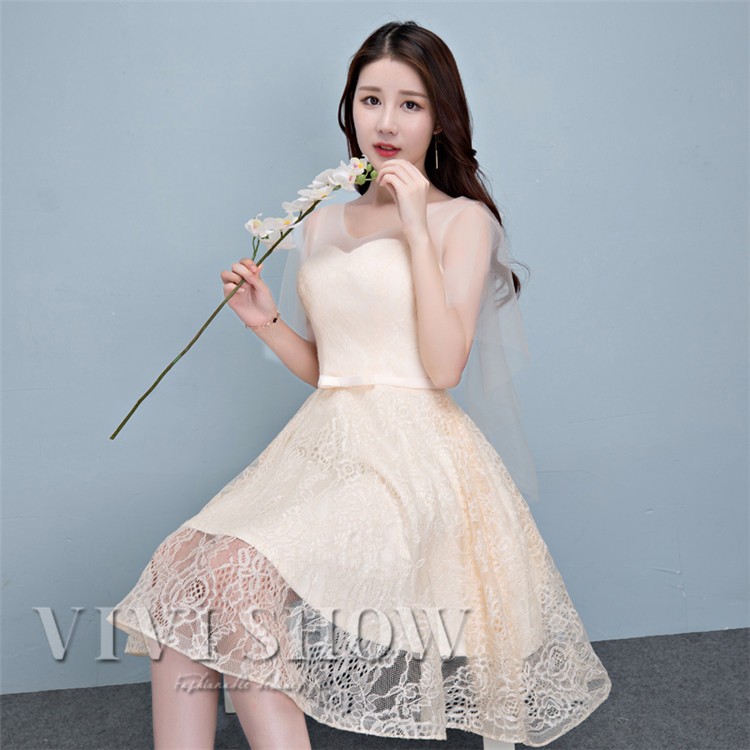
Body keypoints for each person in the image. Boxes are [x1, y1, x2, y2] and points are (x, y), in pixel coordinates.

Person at [107, 20, 611, 750]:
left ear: (440, 118)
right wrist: (266, 321)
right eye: (371, 100)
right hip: (322, 442)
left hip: (410, 455)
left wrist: (415, 222)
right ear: (350, 109)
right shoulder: (321, 223)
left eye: (410, 104)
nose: (386, 123)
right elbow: (334, 369)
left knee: (238, 572)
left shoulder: (462, 221)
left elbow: (443, 369)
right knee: (181, 567)